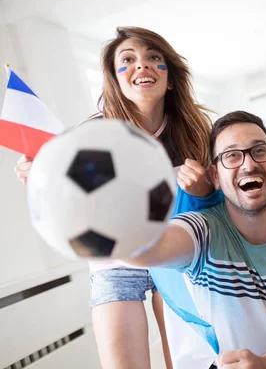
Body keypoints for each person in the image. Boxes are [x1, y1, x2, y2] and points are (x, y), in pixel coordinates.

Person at [14, 26, 214, 369]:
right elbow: (67, 199)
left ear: (170, 78)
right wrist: (36, 175)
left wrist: (205, 189)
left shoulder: (196, 131)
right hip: (115, 264)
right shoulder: (92, 134)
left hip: (178, 260)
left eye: (154, 58)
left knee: (189, 363)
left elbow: (217, 203)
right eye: (128, 60)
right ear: (115, 78)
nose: (142, 66)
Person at [125, 110, 266, 369]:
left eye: (259, 151)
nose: (248, 164)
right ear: (214, 176)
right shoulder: (202, 228)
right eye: (232, 156)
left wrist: (265, 365)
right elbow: (151, 249)